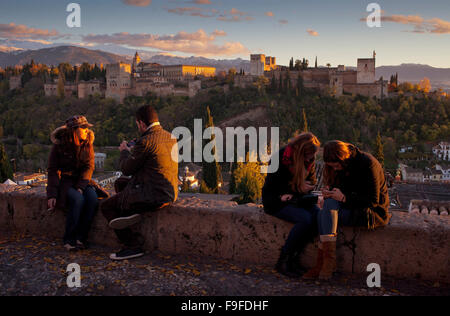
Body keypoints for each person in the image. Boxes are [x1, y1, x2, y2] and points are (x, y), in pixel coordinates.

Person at [303, 140, 391, 280]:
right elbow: (344, 189)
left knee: (324, 215)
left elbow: (373, 201)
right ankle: (326, 263)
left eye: (337, 166)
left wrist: (344, 198)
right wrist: (330, 192)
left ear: (343, 158)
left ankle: (325, 263)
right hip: (351, 206)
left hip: (370, 212)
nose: (336, 169)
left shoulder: (368, 164)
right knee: (328, 206)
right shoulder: (343, 166)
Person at [101, 105, 178, 261]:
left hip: (152, 196)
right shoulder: (171, 137)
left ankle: (132, 245)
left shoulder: (145, 141)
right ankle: (130, 212)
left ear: (142, 124)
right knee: (121, 184)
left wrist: (124, 151)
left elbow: (127, 169)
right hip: (170, 192)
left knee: (106, 206)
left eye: (138, 125)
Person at [262, 132, 321, 277]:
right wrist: (294, 188)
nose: (310, 158)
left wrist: (308, 186)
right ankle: (283, 261)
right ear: (300, 151)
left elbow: (312, 179)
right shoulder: (281, 157)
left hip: (298, 198)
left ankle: (294, 259)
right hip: (276, 200)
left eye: (312, 156)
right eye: (307, 155)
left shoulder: (309, 159)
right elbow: (272, 184)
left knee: (317, 216)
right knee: (304, 219)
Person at [47, 115, 98, 251]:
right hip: (65, 181)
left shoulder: (87, 143)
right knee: (77, 199)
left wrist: (81, 186)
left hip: (82, 180)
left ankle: (81, 237)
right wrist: (52, 194)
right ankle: (69, 239)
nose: (87, 130)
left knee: (92, 199)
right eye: (83, 127)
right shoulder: (60, 145)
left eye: (87, 127)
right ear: (74, 130)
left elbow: (89, 166)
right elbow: (52, 170)